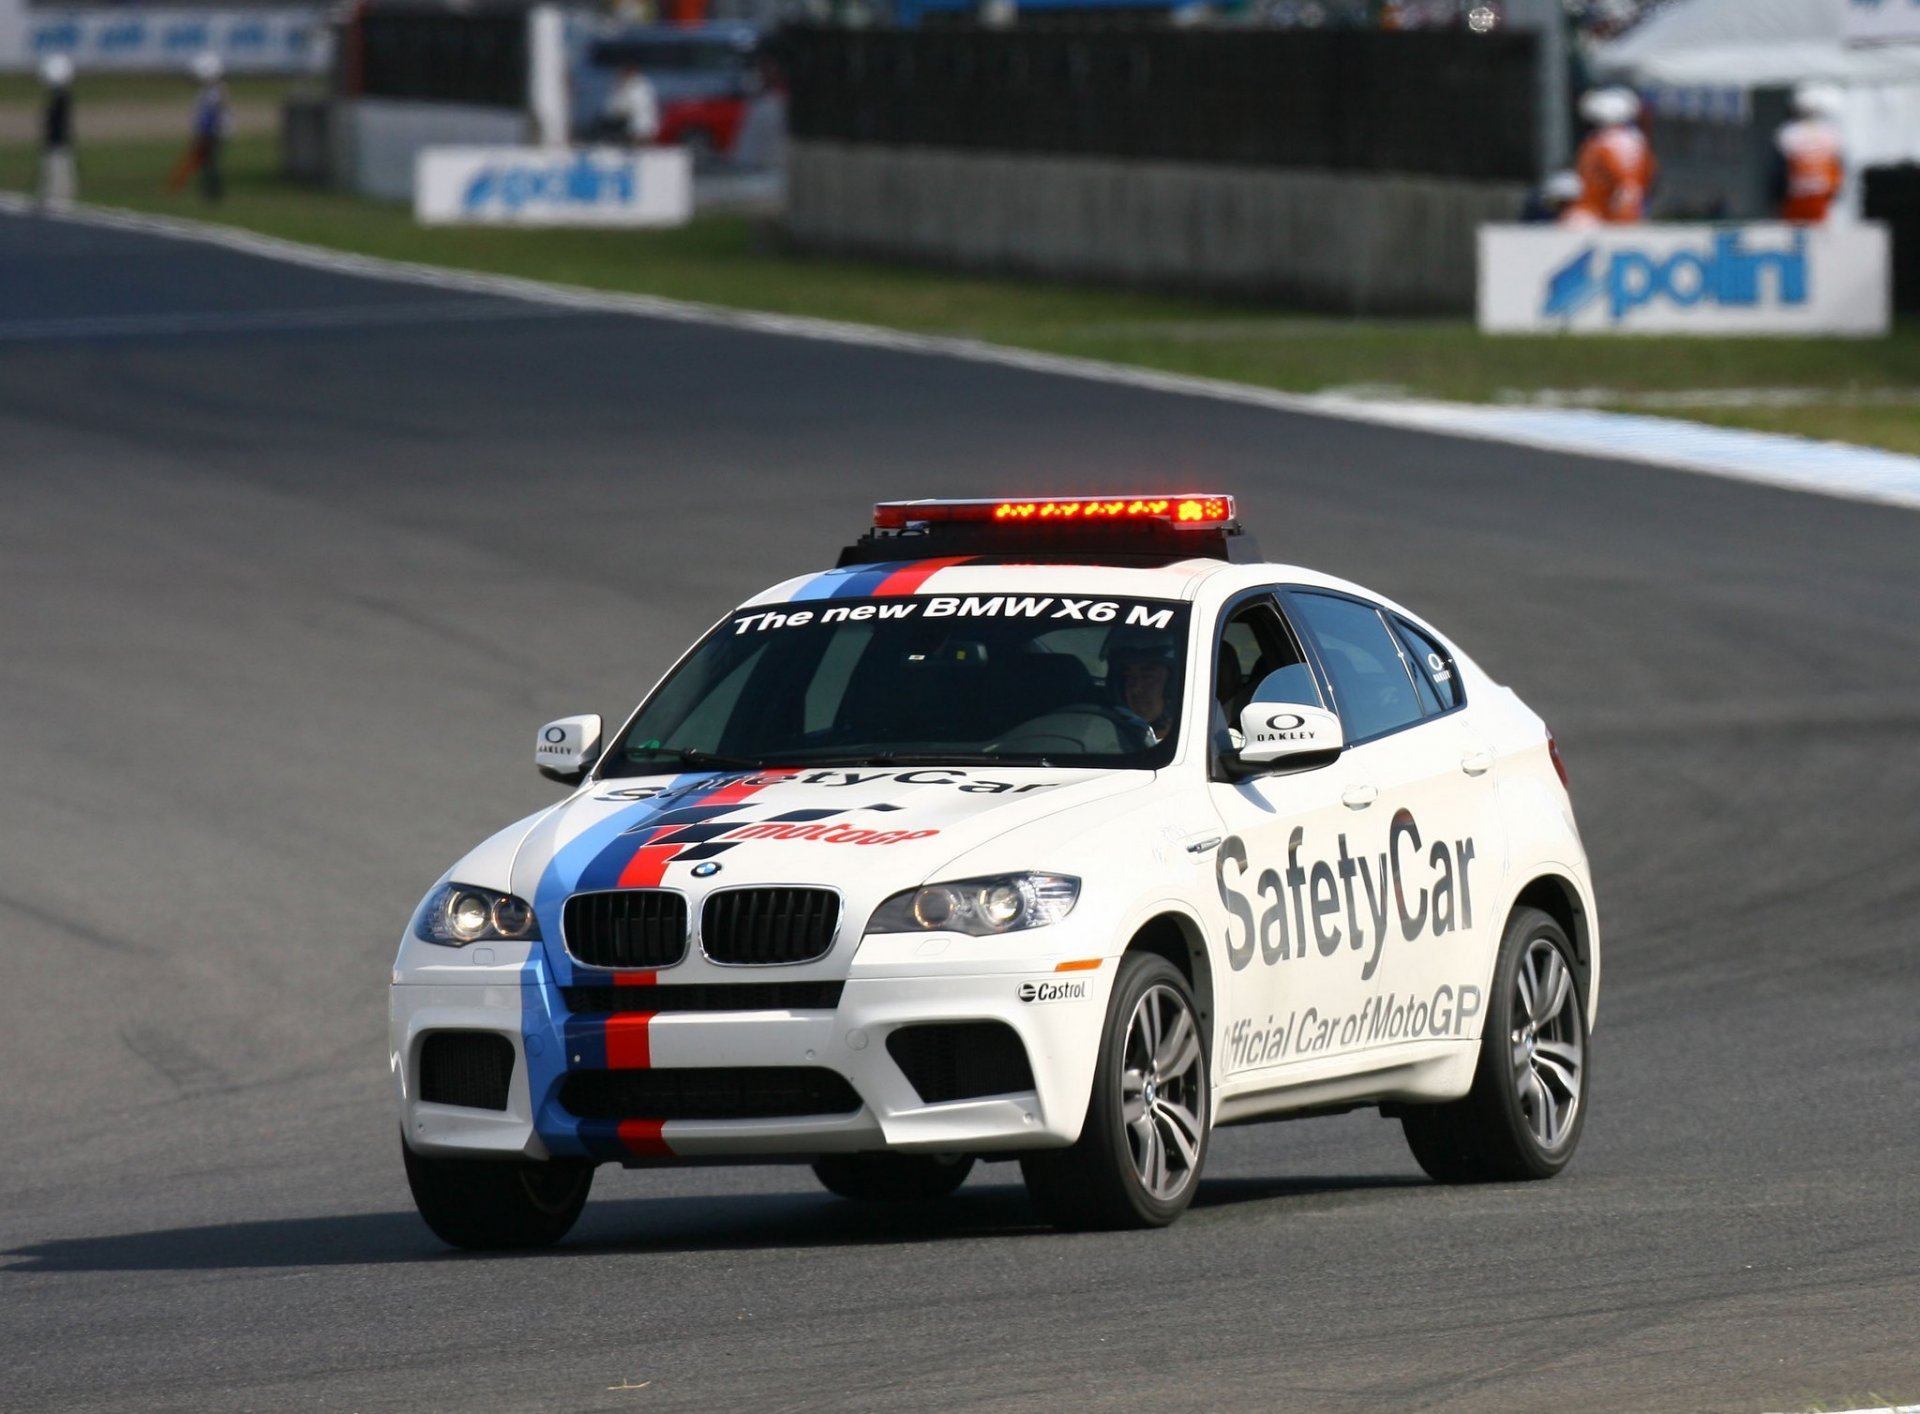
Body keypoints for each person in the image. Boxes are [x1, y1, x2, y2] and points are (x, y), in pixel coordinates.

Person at [1565, 87, 1654, 226]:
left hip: (1602, 218)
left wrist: (1623, 225)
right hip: (1596, 213)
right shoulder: (1605, 140)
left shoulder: (1619, 142)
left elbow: (1629, 189)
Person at [1774, 83, 1845, 224]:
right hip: (1818, 196)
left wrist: (1776, 196)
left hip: (1799, 196)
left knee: (1797, 233)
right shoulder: (1831, 134)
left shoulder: (1789, 134)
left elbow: (1779, 169)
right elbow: (1838, 166)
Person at [1104, 627, 1181, 745]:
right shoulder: (1106, 739)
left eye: (1147, 677)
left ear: (1172, 685)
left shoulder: (1201, 741)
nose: (1136, 689)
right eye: (1128, 677)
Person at [169, 53, 227, 202]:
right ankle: (209, 191)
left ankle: (212, 192)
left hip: (211, 134)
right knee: (206, 162)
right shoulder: (210, 91)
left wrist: (207, 132)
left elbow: (213, 114)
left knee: (208, 162)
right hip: (209, 132)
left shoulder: (215, 92)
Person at [38, 55, 76, 210]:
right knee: (57, 173)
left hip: (58, 144)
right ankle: (56, 200)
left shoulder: (61, 98)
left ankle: (57, 201)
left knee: (57, 173)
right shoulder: (61, 98)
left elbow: (54, 124)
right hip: (58, 144)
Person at [606, 65, 661, 149]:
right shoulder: (633, 85)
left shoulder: (638, 86)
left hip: (640, 122)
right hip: (635, 122)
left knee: (640, 141)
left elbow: (630, 104)